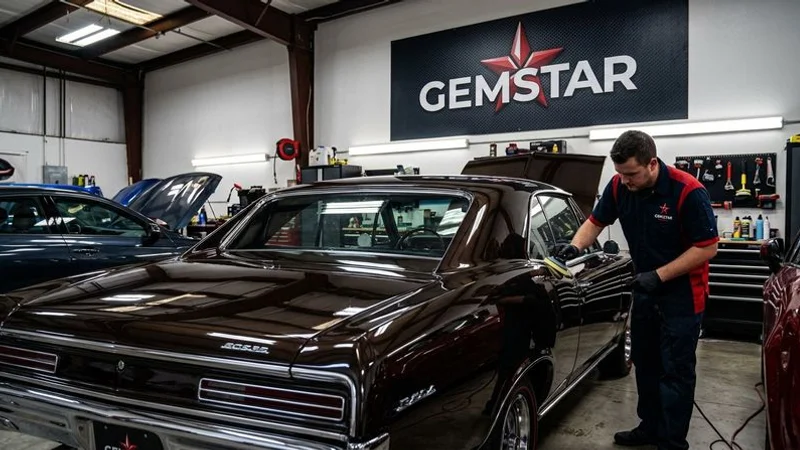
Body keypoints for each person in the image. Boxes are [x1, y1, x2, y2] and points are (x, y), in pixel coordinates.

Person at [556, 130, 718, 450]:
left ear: (652, 163)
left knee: (675, 371)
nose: (625, 181)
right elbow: (595, 221)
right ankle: (650, 427)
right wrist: (574, 248)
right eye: (620, 174)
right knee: (645, 363)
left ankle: (672, 442)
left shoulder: (688, 191)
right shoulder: (619, 186)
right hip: (646, 290)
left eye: (631, 174)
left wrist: (659, 276)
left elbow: (707, 248)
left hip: (683, 295)